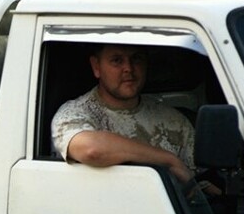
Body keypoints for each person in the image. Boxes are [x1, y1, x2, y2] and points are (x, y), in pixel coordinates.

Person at [51, 44, 195, 183]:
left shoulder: (174, 121)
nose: (128, 68)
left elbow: (200, 180)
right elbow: (91, 149)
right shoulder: (74, 114)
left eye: (136, 58)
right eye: (117, 60)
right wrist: (169, 160)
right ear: (96, 66)